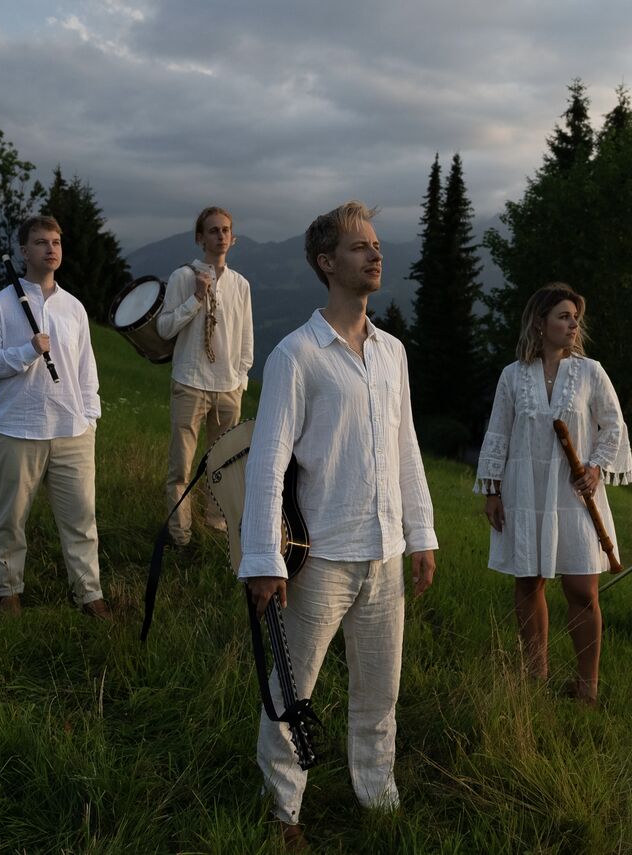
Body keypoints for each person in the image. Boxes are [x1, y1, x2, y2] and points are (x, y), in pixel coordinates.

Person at [238, 201, 438, 848]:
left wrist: (422, 534)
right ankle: (282, 811)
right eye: (359, 247)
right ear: (327, 263)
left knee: (381, 691)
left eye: (376, 245)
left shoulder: (392, 353)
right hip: (319, 555)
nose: (375, 254)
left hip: (384, 554)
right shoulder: (296, 354)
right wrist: (263, 559)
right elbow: (267, 460)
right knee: (293, 689)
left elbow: (406, 446)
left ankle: (377, 793)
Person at [475, 283, 632, 705]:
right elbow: (498, 433)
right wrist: (492, 491)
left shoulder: (590, 372)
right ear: (540, 323)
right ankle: (535, 675)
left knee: (582, 590)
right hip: (525, 490)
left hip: (575, 492)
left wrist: (596, 468)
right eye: (564, 316)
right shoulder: (514, 375)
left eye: (575, 317)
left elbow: (613, 426)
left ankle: (587, 687)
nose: (573, 324)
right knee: (529, 583)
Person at [0, 215, 109, 618]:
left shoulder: (74, 308)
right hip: (16, 430)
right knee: (10, 520)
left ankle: (89, 594)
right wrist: (26, 351)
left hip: (72, 431)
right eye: (41, 242)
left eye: (56, 242)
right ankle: (8, 590)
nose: (51, 248)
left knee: (82, 521)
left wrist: (90, 419)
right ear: (23, 251)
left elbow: (86, 369)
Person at [157, 206, 254, 546]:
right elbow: (165, 327)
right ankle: (179, 535)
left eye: (226, 230)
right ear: (200, 238)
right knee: (181, 468)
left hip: (228, 388)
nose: (220, 236)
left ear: (233, 237)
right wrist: (196, 298)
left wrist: (240, 380)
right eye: (213, 230)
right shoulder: (184, 277)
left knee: (224, 465)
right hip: (190, 383)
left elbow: (246, 339)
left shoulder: (240, 284)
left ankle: (216, 528)